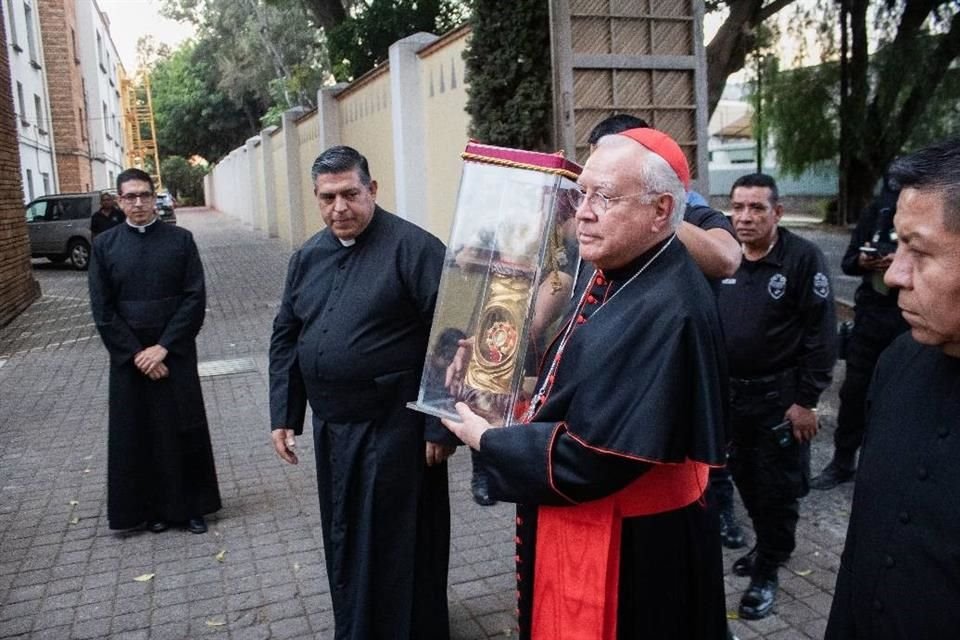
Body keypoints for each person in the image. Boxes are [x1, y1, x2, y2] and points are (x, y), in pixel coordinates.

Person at [443, 128, 729, 639]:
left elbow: (595, 456)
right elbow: (582, 382)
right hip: (602, 523)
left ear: (661, 211)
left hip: (634, 549)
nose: (584, 212)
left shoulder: (669, 309)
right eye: (581, 194)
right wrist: (498, 387)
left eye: (605, 197)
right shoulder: (619, 268)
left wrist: (486, 438)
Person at [269, 145, 455, 640]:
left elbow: (451, 333)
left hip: (397, 427)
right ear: (316, 196)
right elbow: (287, 333)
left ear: (372, 189)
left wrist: (439, 421)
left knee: (398, 539)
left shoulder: (416, 248)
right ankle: (357, 626)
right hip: (336, 428)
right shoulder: (307, 257)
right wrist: (284, 414)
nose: (339, 208)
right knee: (346, 534)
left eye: (350, 194)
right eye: (327, 197)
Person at [590, 113, 747, 550]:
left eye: (608, 188)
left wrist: (650, 212)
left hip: (681, 364)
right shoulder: (593, 213)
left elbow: (727, 258)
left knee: (701, 464)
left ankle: (721, 518)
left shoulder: (694, 210)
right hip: (624, 362)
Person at [824, 138, 960, 639]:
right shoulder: (900, 361)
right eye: (896, 246)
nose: (895, 274)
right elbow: (865, 542)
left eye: (918, 251)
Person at [716, 173, 837, 619]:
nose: (744, 217)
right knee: (744, 478)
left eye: (757, 208)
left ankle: (767, 570)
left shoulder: (802, 259)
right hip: (732, 400)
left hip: (780, 400)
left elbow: (821, 336)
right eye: (738, 208)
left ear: (777, 213)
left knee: (779, 490)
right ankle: (767, 549)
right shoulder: (724, 255)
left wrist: (807, 401)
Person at [88, 168, 220, 534]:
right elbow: (103, 309)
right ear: (118, 200)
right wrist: (136, 355)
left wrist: (162, 348)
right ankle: (150, 511)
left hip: (173, 351)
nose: (139, 203)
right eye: (130, 197)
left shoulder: (180, 240)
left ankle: (191, 507)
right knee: (139, 432)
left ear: (155, 197)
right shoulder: (104, 246)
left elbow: (195, 298)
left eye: (145, 195)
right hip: (130, 358)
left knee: (182, 429)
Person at [810, 178, 908, 490]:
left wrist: (902, 260)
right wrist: (866, 261)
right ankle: (842, 462)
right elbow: (849, 262)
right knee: (854, 393)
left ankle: (892, 467)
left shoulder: (925, 221)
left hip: (909, 321)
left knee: (903, 397)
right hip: (870, 318)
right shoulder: (874, 214)